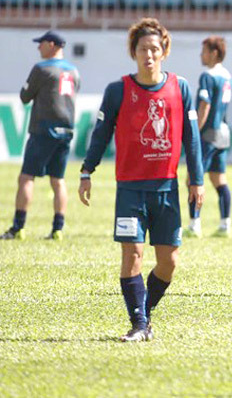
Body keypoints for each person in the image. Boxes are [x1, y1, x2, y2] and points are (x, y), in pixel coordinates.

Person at [79, 18, 204, 342]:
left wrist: (197, 180)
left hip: (166, 189)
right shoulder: (118, 90)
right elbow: (101, 134)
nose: (148, 54)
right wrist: (87, 170)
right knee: (132, 254)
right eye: (142, 49)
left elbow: (192, 139)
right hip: (130, 189)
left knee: (169, 263)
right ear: (133, 52)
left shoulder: (181, 87)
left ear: (164, 51)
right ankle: (138, 323)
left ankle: (144, 315)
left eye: (154, 48)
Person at [1, 31, 80, 241]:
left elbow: (25, 97)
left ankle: (18, 227)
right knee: (58, 180)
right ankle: (58, 229)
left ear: (52, 45)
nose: (38, 48)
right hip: (67, 130)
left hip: (44, 129)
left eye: (41, 44)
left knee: (26, 177)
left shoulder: (41, 69)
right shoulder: (74, 71)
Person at [185, 35, 232, 238]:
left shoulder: (208, 76)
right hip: (223, 132)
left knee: (192, 179)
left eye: (204, 51)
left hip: (208, 134)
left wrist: (196, 130)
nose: (201, 55)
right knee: (219, 180)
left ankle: (194, 225)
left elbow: (205, 105)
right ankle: (225, 225)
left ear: (214, 53)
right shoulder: (227, 76)